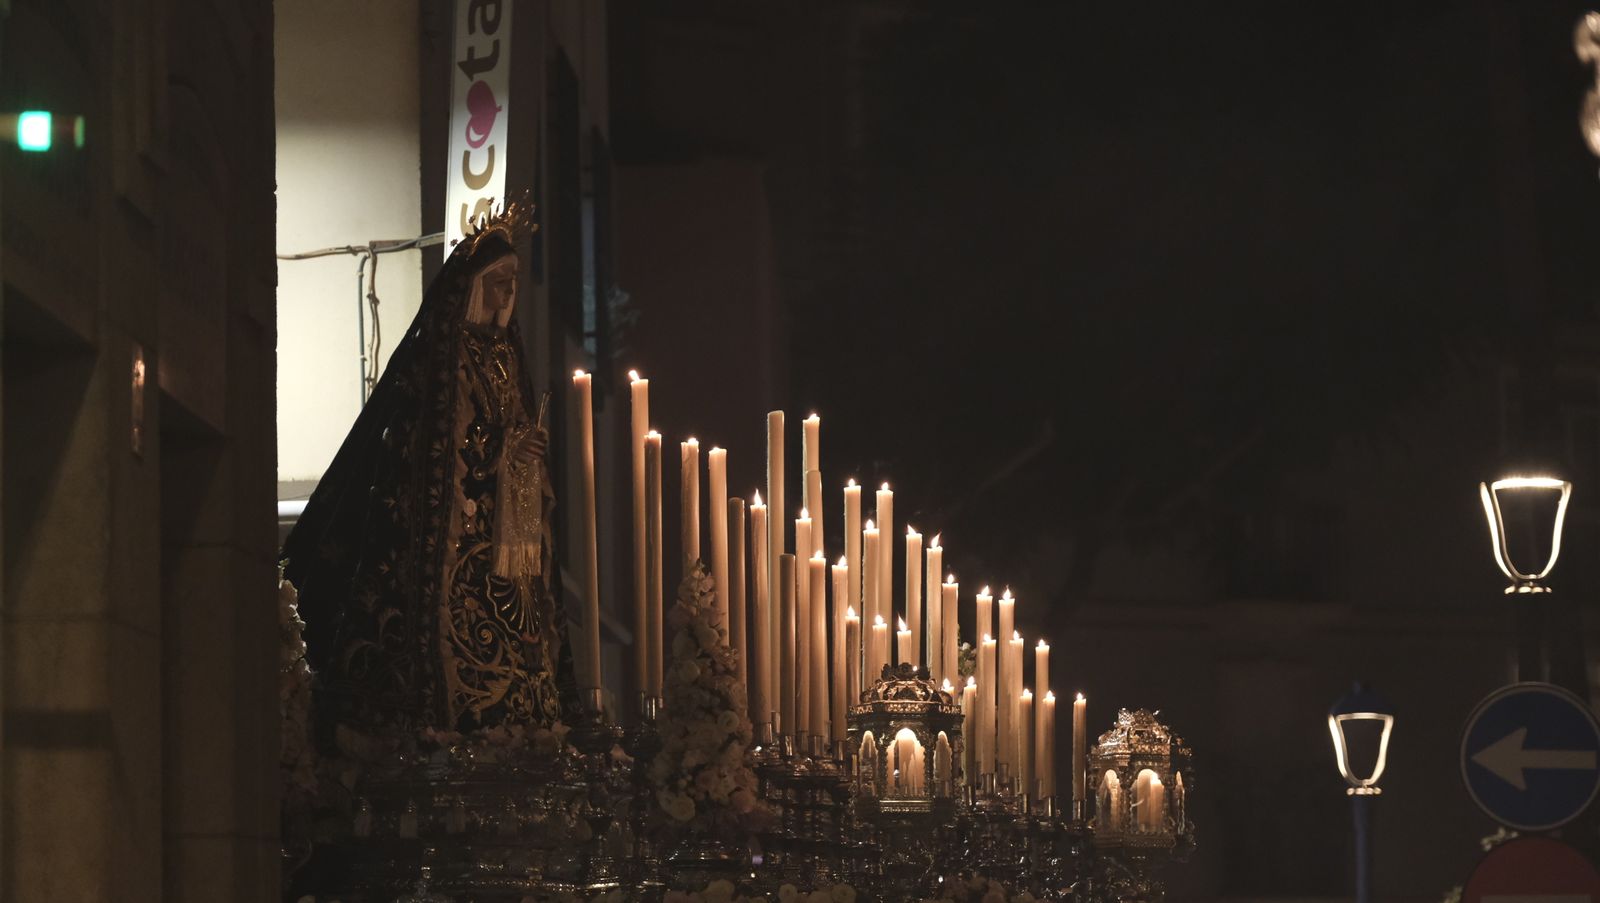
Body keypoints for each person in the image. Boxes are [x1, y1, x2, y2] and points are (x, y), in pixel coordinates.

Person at [282, 200, 573, 740]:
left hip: (508, 535)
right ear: (473, 285)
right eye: (499, 280)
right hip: (456, 538)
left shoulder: (511, 357)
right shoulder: (443, 356)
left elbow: (512, 430)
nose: (509, 293)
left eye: (514, 282)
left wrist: (528, 452)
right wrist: (501, 452)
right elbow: (431, 443)